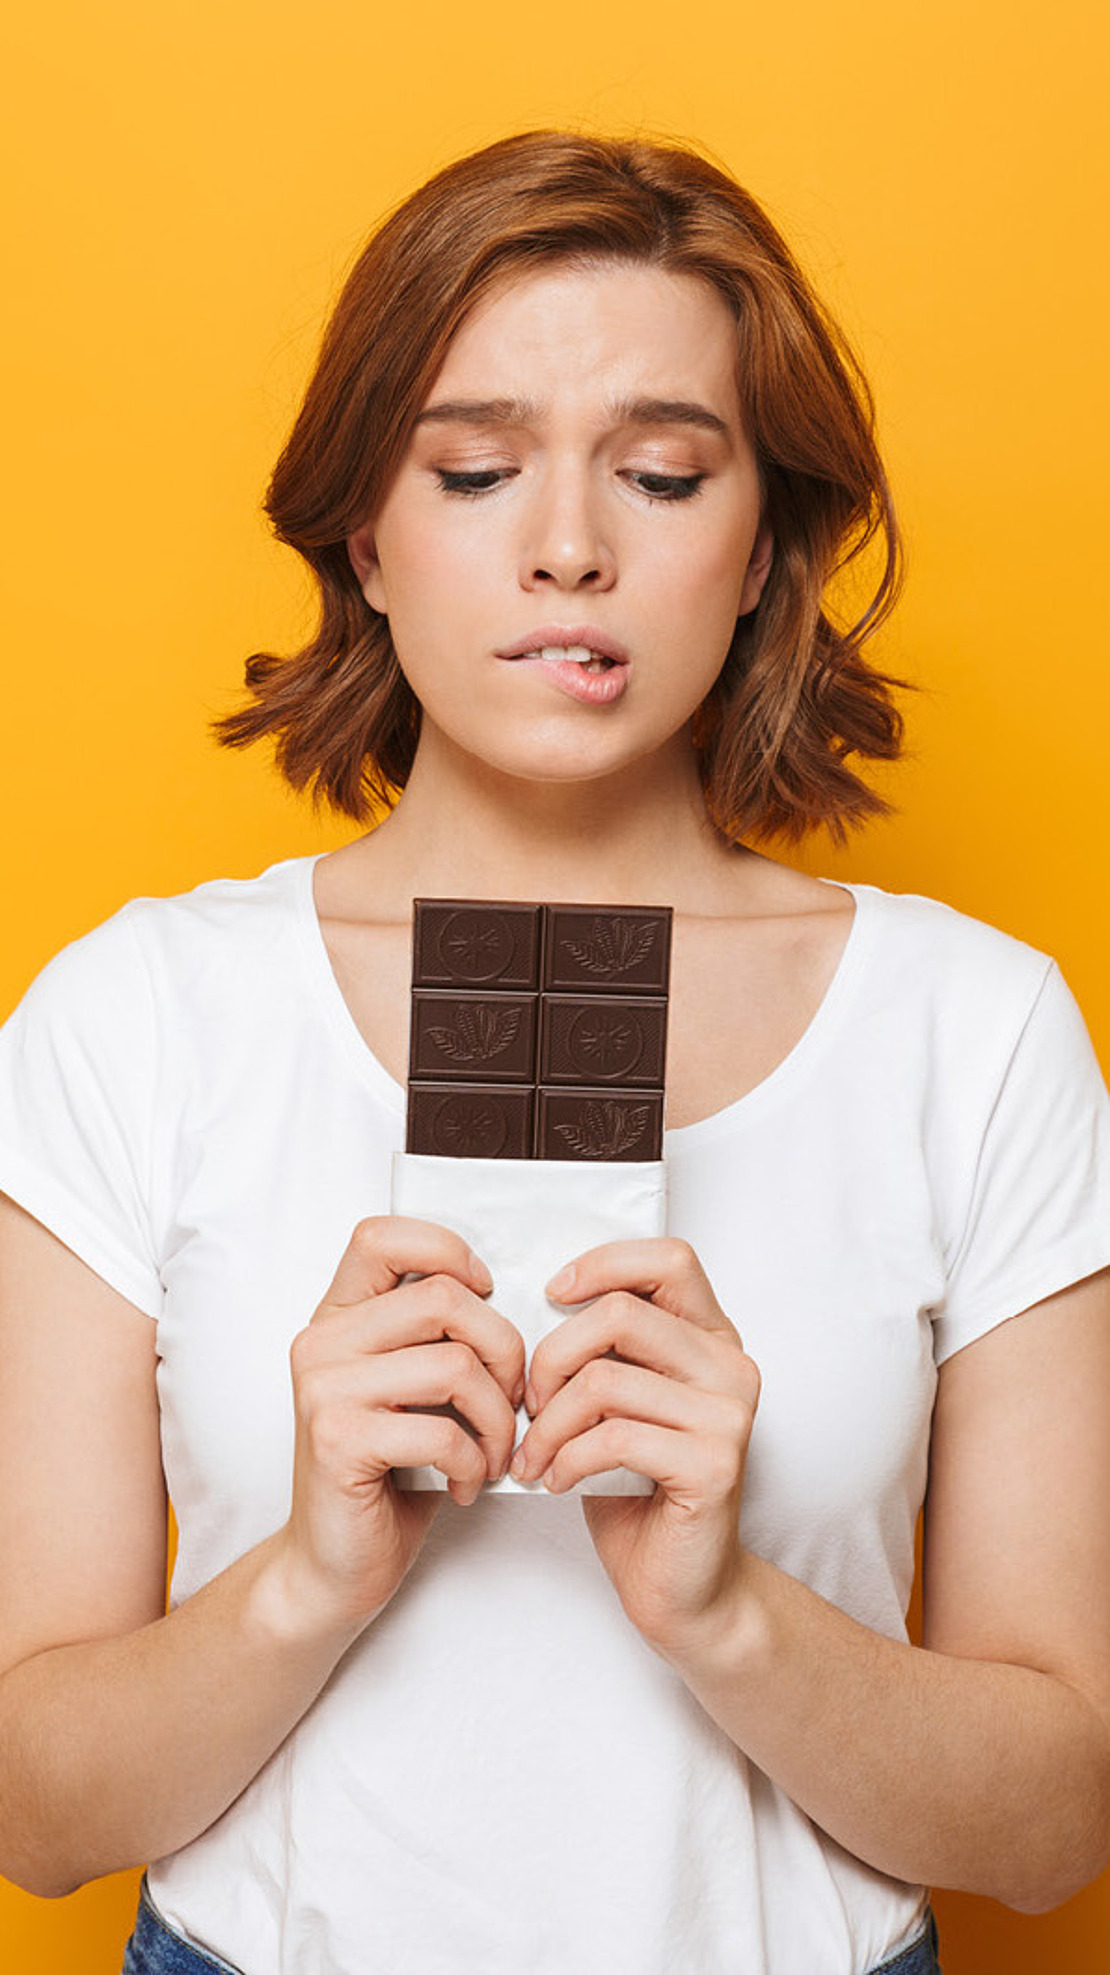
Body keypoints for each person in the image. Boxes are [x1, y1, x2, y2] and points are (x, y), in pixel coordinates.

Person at [0, 129, 1108, 1975]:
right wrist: (307, 1579)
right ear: (367, 526)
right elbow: (37, 1818)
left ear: (762, 547)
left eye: (664, 474)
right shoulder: (137, 1018)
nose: (571, 546)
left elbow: (1055, 1825)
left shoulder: (972, 1033)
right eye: (479, 466)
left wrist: (725, 1603)